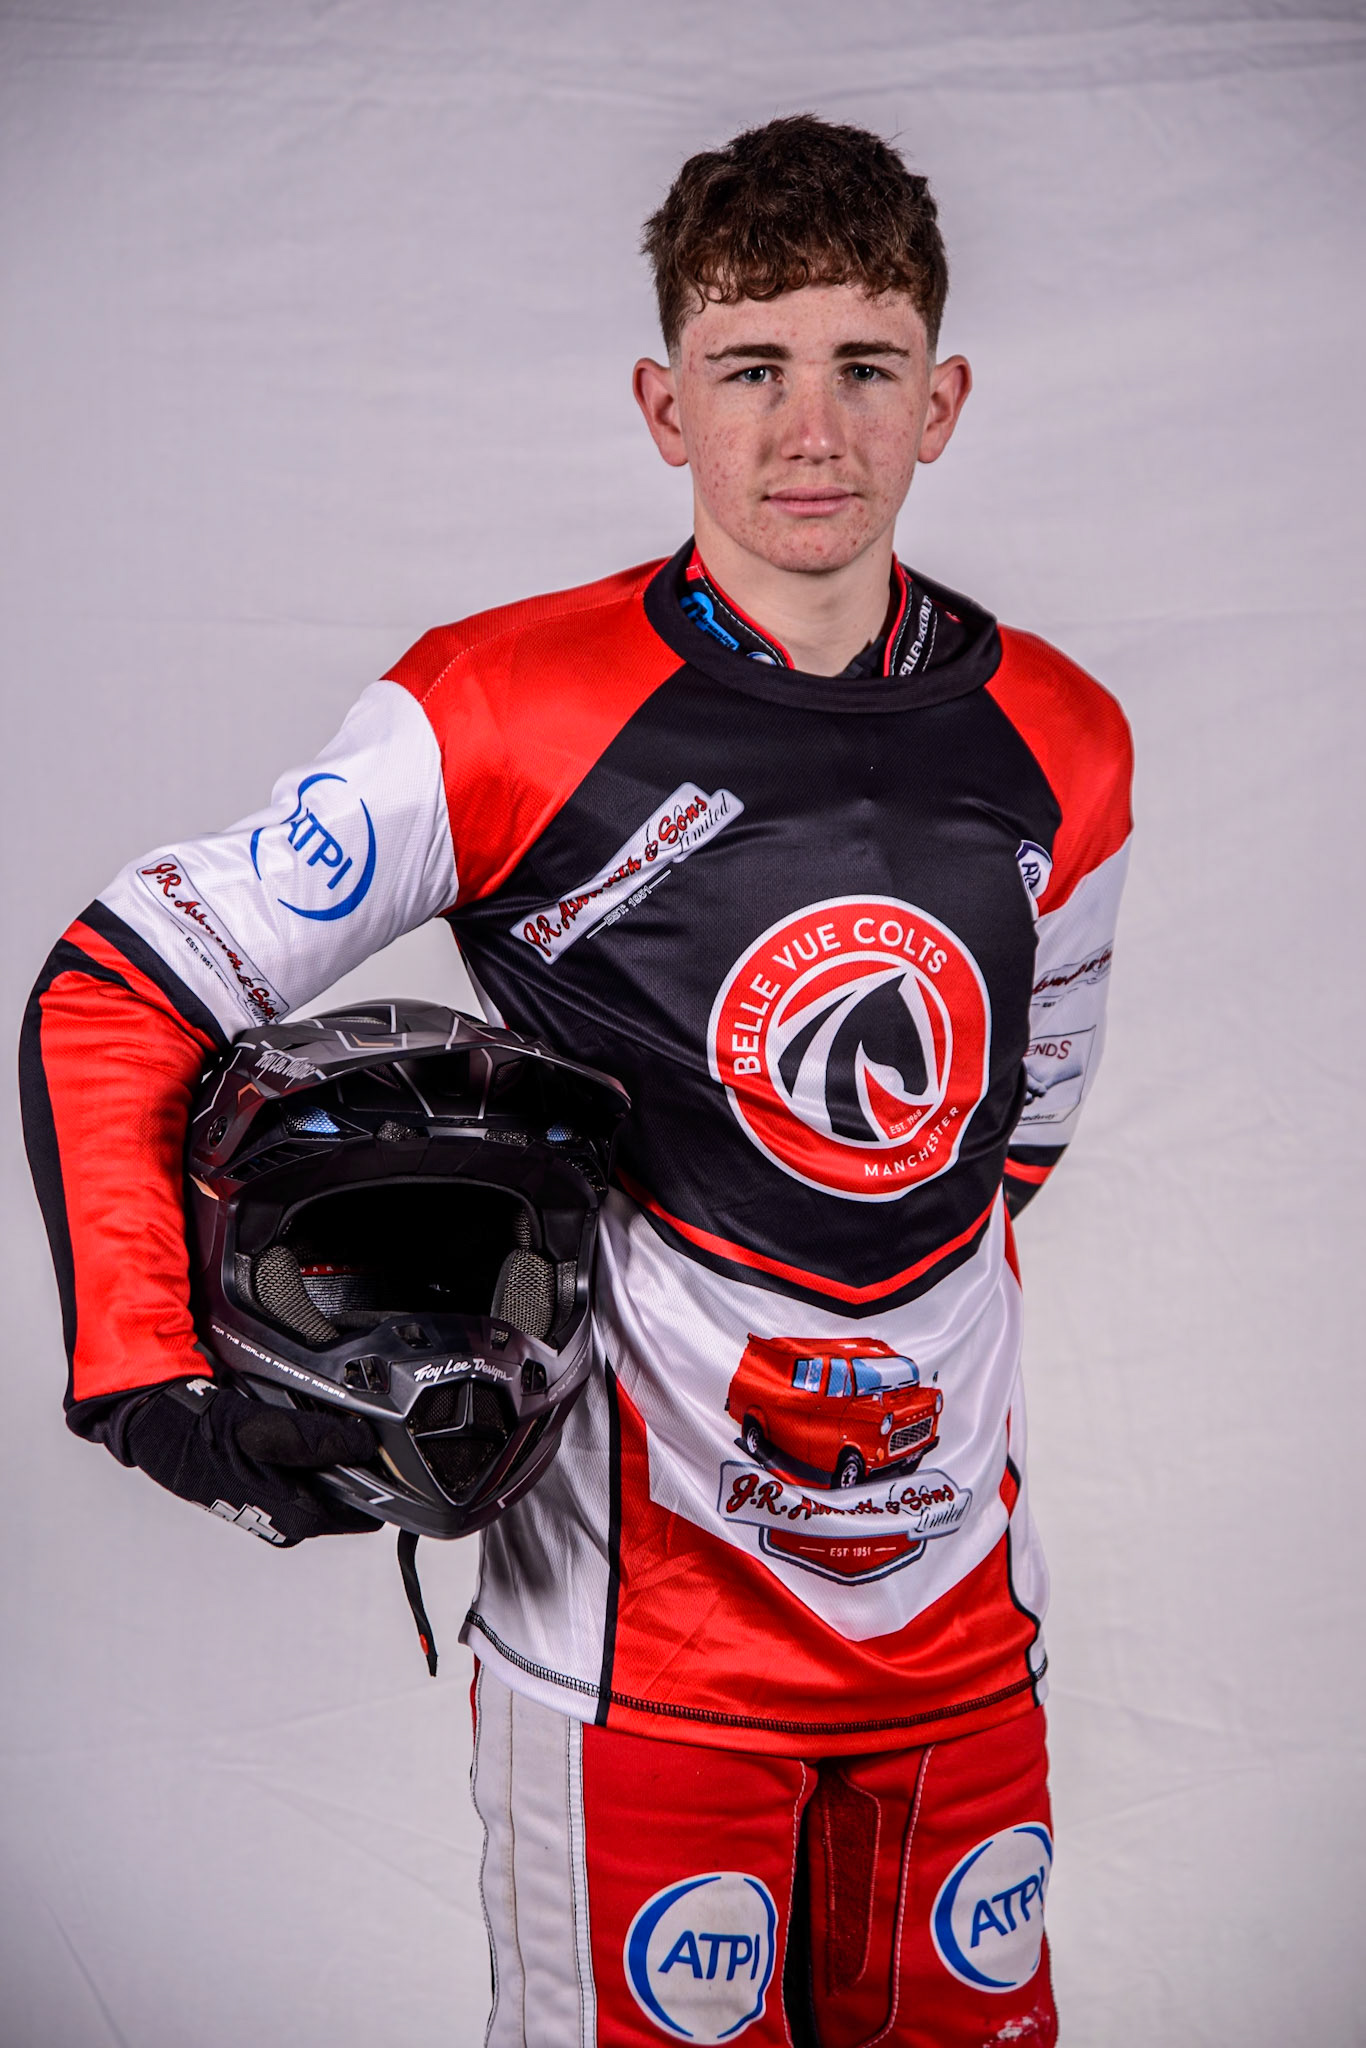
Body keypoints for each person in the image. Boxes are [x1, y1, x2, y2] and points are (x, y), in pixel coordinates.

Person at [20, 114, 1132, 2047]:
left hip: (962, 1639)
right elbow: (119, 984)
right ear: (660, 401)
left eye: (863, 366)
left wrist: (827, 1358)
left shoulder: (1065, 737)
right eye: (750, 365)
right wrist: (144, 1375)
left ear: (940, 400)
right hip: (633, 1658)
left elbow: (999, 1144)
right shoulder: (504, 703)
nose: (810, 427)